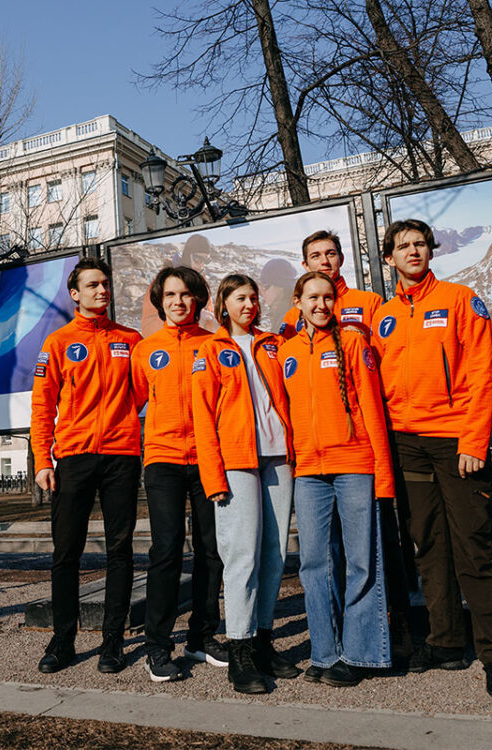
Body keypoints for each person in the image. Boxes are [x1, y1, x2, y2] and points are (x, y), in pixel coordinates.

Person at [371, 218, 492, 699]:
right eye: (403, 246)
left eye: (420, 244)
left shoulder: (460, 300)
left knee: (475, 545)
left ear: (431, 251)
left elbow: (483, 372)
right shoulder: (383, 315)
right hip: (406, 443)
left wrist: (473, 441)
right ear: (390, 258)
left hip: (456, 440)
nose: (412, 252)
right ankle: (445, 643)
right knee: (428, 545)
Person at [30, 257, 143, 675]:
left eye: (105, 284)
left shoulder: (131, 340)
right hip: (73, 459)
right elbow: (42, 405)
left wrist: (121, 421)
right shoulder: (58, 342)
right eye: (93, 285)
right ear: (75, 293)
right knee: (66, 554)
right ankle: (63, 640)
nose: (102, 290)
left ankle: (113, 641)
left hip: (121, 457)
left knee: (120, 551)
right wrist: (44, 458)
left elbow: (144, 391)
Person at [281, 272, 394, 688]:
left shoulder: (352, 343)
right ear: (298, 301)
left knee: (361, 561)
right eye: (313, 297)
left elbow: (371, 409)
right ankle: (324, 653)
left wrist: (382, 475)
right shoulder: (287, 352)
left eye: (328, 297)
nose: (322, 305)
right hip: (309, 472)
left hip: (354, 464)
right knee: (314, 564)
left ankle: (361, 653)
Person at [192, 273, 299, 695]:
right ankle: (238, 649)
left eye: (254, 297)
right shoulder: (211, 349)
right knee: (242, 557)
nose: (249, 304)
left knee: (274, 555)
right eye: (240, 298)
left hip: (278, 459)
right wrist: (213, 477)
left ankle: (262, 641)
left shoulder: (273, 345)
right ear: (223, 304)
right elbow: (203, 418)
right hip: (236, 462)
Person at [131, 266, 226, 683]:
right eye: (170, 295)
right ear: (160, 300)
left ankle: (202, 636)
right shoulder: (145, 349)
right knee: (166, 551)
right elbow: (133, 400)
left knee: (211, 549)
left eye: (186, 294)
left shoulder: (216, 344)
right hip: (163, 460)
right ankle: (158, 646)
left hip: (209, 459)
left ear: (199, 299)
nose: (178, 302)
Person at [280, 230, 382, 340]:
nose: (324, 261)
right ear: (306, 265)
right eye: (315, 256)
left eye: (331, 254)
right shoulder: (293, 316)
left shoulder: (370, 302)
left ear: (341, 259)